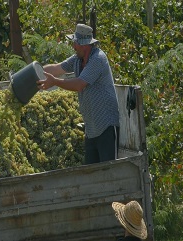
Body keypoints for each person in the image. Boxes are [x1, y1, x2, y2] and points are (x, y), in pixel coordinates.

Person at [37, 23, 120, 164]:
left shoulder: (98, 59)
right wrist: (34, 72)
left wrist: (55, 82)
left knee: (107, 174)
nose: (73, 46)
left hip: (106, 126)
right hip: (91, 128)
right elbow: (56, 68)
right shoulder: (77, 60)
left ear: (84, 45)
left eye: (75, 43)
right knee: (91, 175)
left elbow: (79, 85)